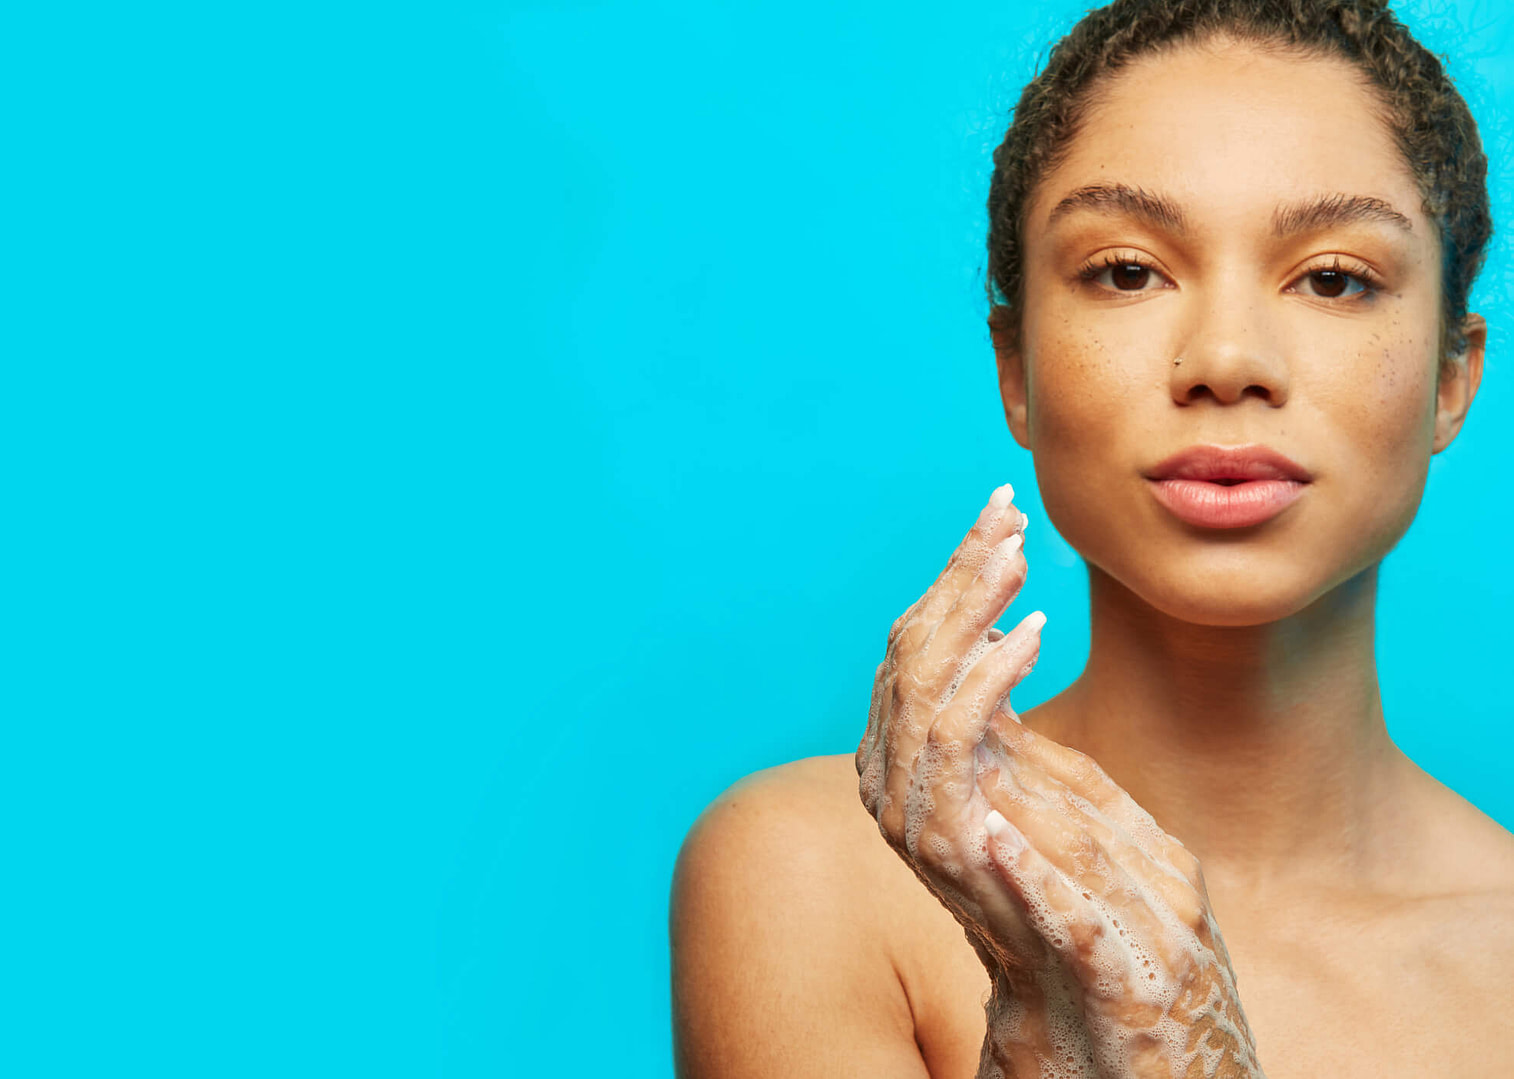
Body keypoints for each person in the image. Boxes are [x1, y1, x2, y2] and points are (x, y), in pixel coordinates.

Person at [668, 0, 1514, 1074]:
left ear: (1450, 379)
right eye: (1125, 270)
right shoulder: (816, 873)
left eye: (1332, 277)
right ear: (1014, 367)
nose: (1224, 356)